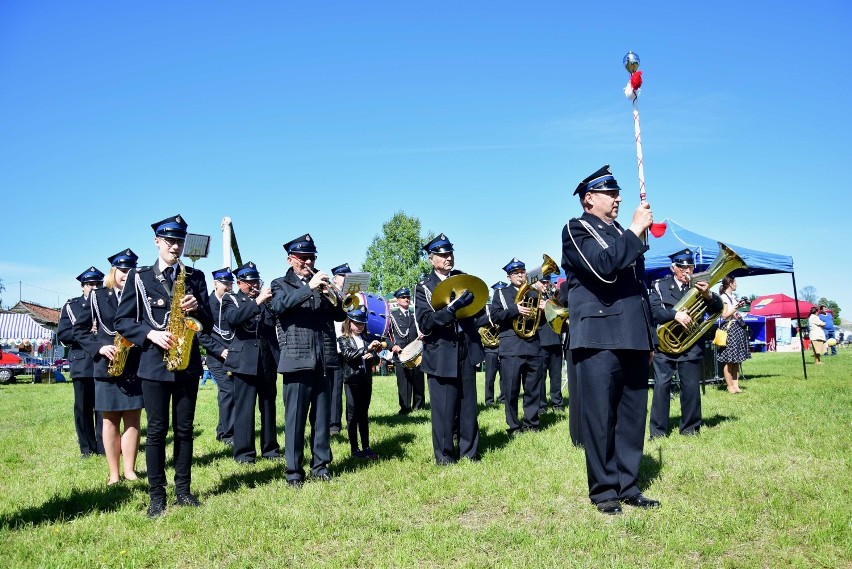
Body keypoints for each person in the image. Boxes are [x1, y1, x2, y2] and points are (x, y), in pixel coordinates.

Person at [561, 165, 659, 515]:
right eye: (610, 193)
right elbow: (603, 267)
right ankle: (604, 491)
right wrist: (634, 229)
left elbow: (639, 289)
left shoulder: (622, 233)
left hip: (632, 334)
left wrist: (649, 337)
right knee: (601, 416)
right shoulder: (577, 229)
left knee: (633, 414)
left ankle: (628, 485)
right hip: (599, 336)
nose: (618, 198)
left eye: (618, 193)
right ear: (589, 198)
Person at [115, 214, 213, 517]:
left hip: (187, 363)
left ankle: (183, 491)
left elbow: (207, 324)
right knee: (157, 431)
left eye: (180, 241)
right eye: (170, 240)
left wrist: (197, 309)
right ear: (157, 241)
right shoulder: (140, 277)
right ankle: (156, 496)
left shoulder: (195, 277)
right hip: (154, 365)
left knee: (184, 430)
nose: (175, 246)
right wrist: (150, 334)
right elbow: (122, 321)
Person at [270, 234, 345, 487]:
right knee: (295, 419)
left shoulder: (320, 285)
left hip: (323, 360)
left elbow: (339, 315)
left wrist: (333, 294)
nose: (308, 261)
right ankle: (293, 472)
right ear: (290, 259)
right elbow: (279, 307)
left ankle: (320, 466)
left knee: (322, 419)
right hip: (296, 359)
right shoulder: (280, 283)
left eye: (312, 257)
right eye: (303, 258)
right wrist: (309, 287)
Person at [414, 233, 490, 465]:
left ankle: (470, 452)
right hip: (441, 352)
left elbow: (478, 311)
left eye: (450, 254)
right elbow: (426, 323)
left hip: (465, 349)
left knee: (468, 406)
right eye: (443, 255)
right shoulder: (424, 287)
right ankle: (445, 456)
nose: (448, 258)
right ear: (431, 259)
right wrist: (451, 309)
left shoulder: (463, 279)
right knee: (444, 409)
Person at [81, 249, 145, 485]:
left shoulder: (141, 295)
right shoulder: (98, 296)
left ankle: (129, 469)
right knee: (109, 421)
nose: (126, 275)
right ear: (113, 271)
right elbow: (80, 330)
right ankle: (114, 473)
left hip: (134, 364)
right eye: (122, 270)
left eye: (131, 270)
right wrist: (99, 347)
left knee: (132, 419)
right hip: (107, 365)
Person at [648, 248, 722, 439]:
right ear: (674, 268)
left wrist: (707, 296)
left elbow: (718, 308)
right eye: (683, 268)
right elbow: (653, 311)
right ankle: (658, 431)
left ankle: (690, 429)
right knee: (661, 387)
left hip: (690, 344)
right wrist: (675, 314)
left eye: (690, 267)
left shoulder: (698, 286)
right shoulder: (659, 285)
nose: (687, 271)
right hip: (665, 345)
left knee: (690, 388)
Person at [222, 261, 282, 464]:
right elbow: (234, 319)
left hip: (267, 359)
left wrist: (270, 303)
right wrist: (256, 302)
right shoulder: (231, 299)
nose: (254, 285)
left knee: (268, 405)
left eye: (256, 281)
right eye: (249, 282)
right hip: (244, 361)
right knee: (245, 408)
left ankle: (270, 448)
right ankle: (245, 453)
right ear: (239, 283)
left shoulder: (264, 300)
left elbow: (275, 321)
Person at [489, 258, 544, 436]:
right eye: (516, 273)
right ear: (509, 276)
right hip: (511, 347)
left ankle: (532, 423)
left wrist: (545, 309)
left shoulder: (534, 293)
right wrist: (515, 309)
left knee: (533, 389)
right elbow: (496, 316)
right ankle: (513, 426)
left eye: (522, 272)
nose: (520, 275)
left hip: (533, 345)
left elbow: (541, 322)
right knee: (511, 390)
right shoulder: (501, 293)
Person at [57, 266, 106, 458]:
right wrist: (87, 333)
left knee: (103, 407)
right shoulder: (72, 306)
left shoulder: (107, 303)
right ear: (83, 286)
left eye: (98, 284)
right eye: (90, 284)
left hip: (102, 361)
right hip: (81, 363)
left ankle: (104, 446)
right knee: (83, 407)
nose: (94, 287)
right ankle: (86, 448)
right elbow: (64, 334)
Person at [337, 306, 382, 459]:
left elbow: (376, 359)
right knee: (352, 415)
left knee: (363, 414)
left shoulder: (367, 338)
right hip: (351, 381)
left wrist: (373, 355)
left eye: (362, 323)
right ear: (349, 323)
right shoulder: (343, 339)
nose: (360, 326)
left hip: (365, 380)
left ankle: (366, 446)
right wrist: (365, 350)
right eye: (357, 323)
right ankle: (354, 448)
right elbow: (349, 355)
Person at [198, 267, 236, 446]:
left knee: (227, 393)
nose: (228, 287)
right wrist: (220, 351)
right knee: (228, 391)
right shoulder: (206, 304)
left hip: (234, 356)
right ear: (215, 283)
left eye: (230, 283)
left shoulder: (234, 302)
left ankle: (222, 431)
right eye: (225, 283)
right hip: (216, 357)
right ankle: (229, 435)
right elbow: (201, 334)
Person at [389, 287, 425, 413]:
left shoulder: (414, 316)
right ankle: (405, 407)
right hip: (401, 354)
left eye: (408, 297)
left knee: (418, 380)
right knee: (403, 382)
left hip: (416, 354)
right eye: (403, 297)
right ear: (397, 300)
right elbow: (385, 335)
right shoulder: (392, 316)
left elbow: (421, 330)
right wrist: (392, 346)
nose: (406, 299)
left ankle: (419, 406)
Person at [329, 262, 351, 436]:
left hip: (350, 344)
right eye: (343, 276)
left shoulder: (353, 294)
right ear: (335, 278)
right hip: (335, 344)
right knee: (335, 386)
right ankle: (334, 423)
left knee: (352, 383)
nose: (345, 280)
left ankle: (352, 418)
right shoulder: (330, 292)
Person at [717, 276, 750, 393]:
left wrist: (740, 311)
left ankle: (736, 385)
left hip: (736, 327)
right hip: (729, 329)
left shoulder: (733, 297)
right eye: (735, 282)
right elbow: (725, 315)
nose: (736, 284)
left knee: (736, 359)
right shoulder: (723, 297)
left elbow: (734, 314)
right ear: (730, 283)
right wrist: (736, 307)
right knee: (728, 359)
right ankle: (729, 386)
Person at [538, 274, 565, 414]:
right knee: (540, 377)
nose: (545, 285)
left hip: (555, 340)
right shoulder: (532, 297)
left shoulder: (555, 297)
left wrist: (550, 304)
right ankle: (541, 405)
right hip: (540, 342)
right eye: (542, 282)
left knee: (556, 376)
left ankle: (557, 403)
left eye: (547, 282)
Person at [483, 282, 506, 407]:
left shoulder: (507, 308)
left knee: (504, 376)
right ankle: (489, 400)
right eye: (498, 291)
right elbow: (477, 322)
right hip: (490, 347)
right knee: (490, 376)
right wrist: (490, 319)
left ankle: (503, 398)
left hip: (503, 345)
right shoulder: (487, 308)